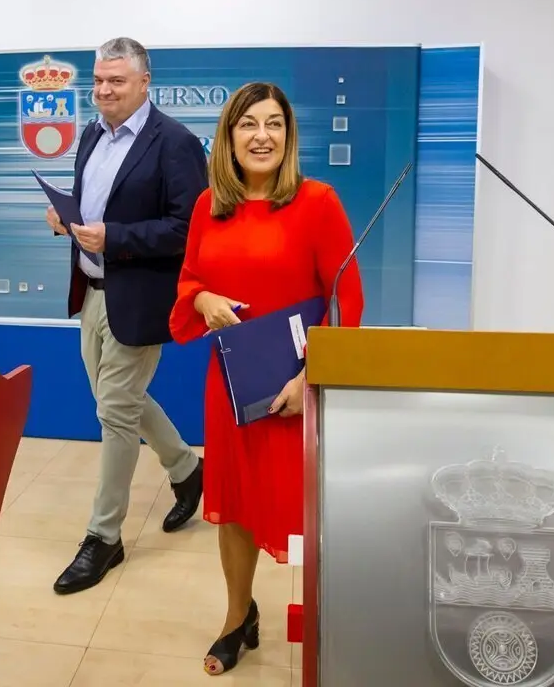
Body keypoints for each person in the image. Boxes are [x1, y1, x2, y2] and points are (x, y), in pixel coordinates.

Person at [168, 83, 364, 675]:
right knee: (236, 507)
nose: (261, 135)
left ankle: (321, 627)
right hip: (230, 386)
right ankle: (237, 618)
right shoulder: (209, 207)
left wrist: (311, 379)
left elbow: (346, 300)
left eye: (274, 124)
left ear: (289, 135)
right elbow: (188, 280)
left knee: (303, 516)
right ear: (228, 136)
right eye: (248, 124)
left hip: (296, 392)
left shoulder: (318, 201)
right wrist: (201, 300)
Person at [46, 37, 207, 595]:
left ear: (144, 83)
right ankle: (187, 470)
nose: (104, 91)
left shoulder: (177, 144)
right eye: (97, 81)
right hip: (91, 292)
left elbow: (190, 230)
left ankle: (103, 537)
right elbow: (95, 205)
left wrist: (116, 238)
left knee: (115, 413)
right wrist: (66, 217)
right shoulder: (91, 134)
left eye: (116, 81)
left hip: (139, 298)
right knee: (120, 401)